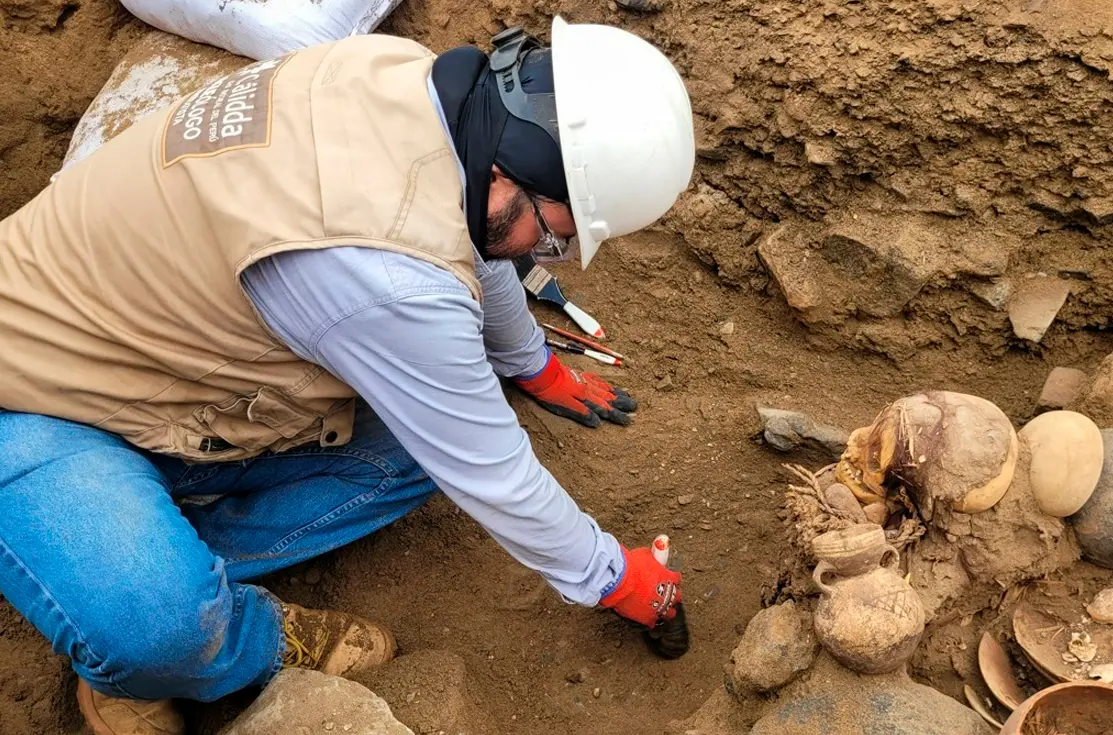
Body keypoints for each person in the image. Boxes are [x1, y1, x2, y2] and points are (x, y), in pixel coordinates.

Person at [0, 17, 695, 735]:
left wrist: (533, 365)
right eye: (556, 236)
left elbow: (474, 240)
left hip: (161, 360)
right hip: (31, 396)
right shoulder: (387, 277)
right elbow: (493, 473)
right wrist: (614, 577)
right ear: (504, 174)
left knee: (416, 451)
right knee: (159, 629)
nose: (550, 254)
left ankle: (143, 552)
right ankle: (218, 631)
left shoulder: (404, 80)